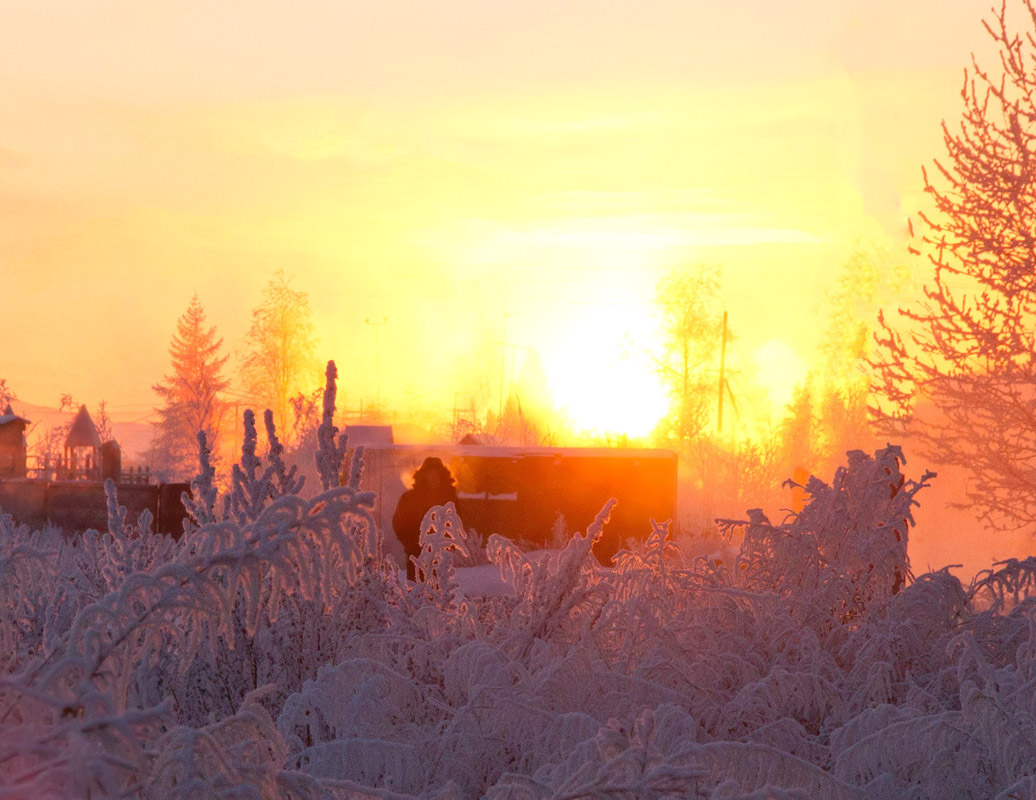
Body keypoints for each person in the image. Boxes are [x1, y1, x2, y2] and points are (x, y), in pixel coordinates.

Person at [392, 457, 459, 580]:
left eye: (437, 474)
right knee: (416, 588)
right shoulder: (409, 498)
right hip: (416, 555)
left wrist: (448, 545)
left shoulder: (450, 499)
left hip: (441, 557)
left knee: (440, 589)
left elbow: (458, 523)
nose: (433, 478)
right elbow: (399, 523)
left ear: (443, 476)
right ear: (423, 476)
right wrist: (411, 545)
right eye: (430, 474)